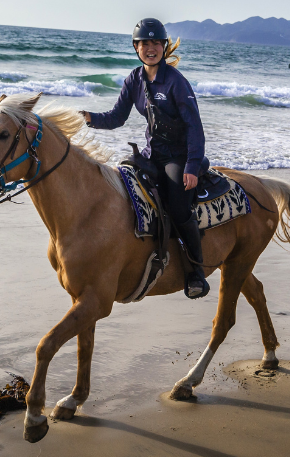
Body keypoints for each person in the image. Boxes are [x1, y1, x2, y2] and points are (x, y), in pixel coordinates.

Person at [81, 18, 211, 299]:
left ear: (163, 47)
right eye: (144, 43)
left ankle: (195, 272)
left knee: (178, 208)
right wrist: (87, 118)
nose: (150, 48)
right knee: (123, 187)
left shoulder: (176, 82)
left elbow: (195, 128)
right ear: (136, 48)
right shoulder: (134, 79)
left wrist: (190, 167)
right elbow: (116, 118)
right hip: (152, 155)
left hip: (180, 158)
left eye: (155, 42)